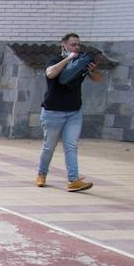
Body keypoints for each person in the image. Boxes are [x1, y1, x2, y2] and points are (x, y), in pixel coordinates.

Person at [36, 32, 102, 192]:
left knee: (71, 146)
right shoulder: (55, 60)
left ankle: (73, 180)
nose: (77, 47)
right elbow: (50, 73)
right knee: (49, 147)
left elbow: (99, 79)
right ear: (63, 45)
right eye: (73, 44)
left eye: (78, 45)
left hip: (74, 112)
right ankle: (41, 174)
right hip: (53, 112)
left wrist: (91, 71)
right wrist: (68, 59)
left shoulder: (80, 63)